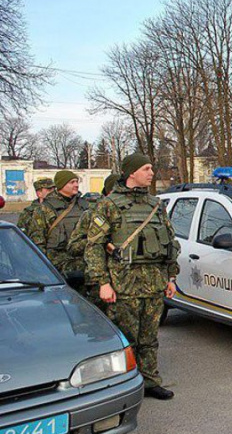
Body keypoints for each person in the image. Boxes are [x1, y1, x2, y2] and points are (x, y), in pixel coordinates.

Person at [85, 153, 180, 400]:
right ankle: (124, 385)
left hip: (154, 283)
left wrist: (171, 277)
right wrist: (103, 282)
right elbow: (94, 246)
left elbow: (170, 243)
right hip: (123, 284)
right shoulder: (109, 205)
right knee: (125, 339)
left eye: (151, 168)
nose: (151, 173)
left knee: (149, 337)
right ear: (132, 173)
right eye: (146, 168)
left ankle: (150, 381)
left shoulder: (155, 205)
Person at [27, 171, 89, 291]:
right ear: (61, 185)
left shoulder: (85, 206)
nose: (76, 185)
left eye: (77, 182)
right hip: (58, 268)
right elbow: (38, 242)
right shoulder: (45, 209)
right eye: (72, 182)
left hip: (85, 264)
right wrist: (45, 272)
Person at [67, 173, 120, 311]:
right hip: (98, 283)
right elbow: (73, 247)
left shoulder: (127, 212)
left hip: (125, 281)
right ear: (110, 191)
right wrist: (96, 241)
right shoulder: (91, 213)